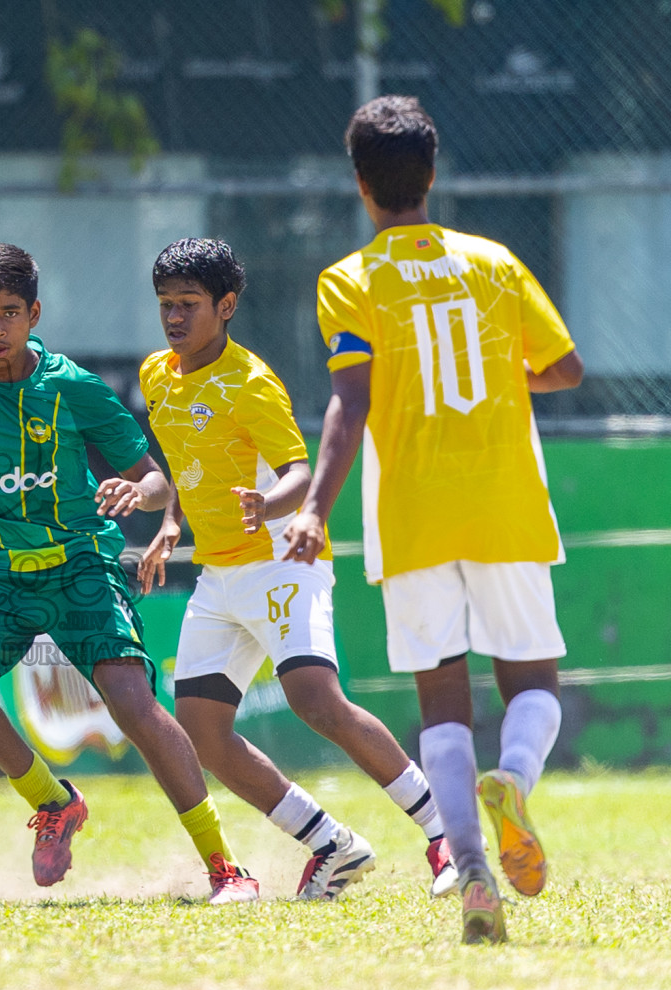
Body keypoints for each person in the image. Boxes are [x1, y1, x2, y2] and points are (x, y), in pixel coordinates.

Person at [283, 96, 584, 944]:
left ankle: (474, 869)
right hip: (504, 496)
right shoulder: (493, 262)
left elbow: (351, 400)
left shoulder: (348, 279)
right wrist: (495, 376)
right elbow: (563, 367)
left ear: (360, 185)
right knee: (532, 681)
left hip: (410, 507)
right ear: (434, 172)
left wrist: (315, 509)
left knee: (441, 695)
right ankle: (514, 780)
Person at [0, 243, 256, 904]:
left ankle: (224, 866)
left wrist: (138, 494)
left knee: (130, 701)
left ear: (34, 313)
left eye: (9, 313)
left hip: (80, 571)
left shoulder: (72, 389)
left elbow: (153, 478)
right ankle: (52, 802)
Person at [136, 238, 455, 901]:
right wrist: (170, 522)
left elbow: (299, 471)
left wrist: (268, 504)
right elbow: (179, 463)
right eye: (166, 304)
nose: (174, 317)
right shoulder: (156, 375)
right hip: (219, 576)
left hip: (283, 561)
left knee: (316, 700)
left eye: (189, 304)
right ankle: (331, 845)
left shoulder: (251, 383)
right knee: (203, 731)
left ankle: (444, 836)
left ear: (226, 307)